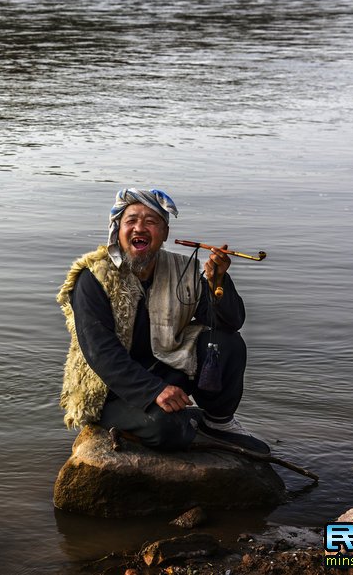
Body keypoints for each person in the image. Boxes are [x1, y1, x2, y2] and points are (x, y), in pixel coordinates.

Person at [56, 187, 269, 454]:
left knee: (226, 342)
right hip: (110, 389)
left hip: (165, 365)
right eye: (131, 220)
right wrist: (154, 391)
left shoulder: (183, 269)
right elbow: (101, 352)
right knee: (165, 427)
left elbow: (230, 323)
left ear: (165, 233)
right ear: (117, 229)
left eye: (151, 221)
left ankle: (218, 423)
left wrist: (218, 283)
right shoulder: (94, 277)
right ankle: (179, 425)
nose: (140, 228)